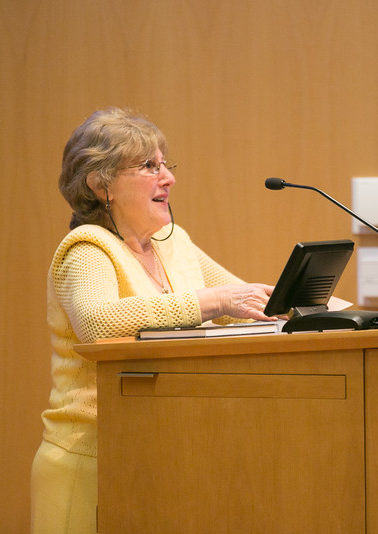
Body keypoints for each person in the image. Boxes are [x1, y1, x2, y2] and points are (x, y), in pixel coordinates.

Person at [30, 107, 278, 533]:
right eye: (149, 166)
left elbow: (248, 299)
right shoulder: (87, 249)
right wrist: (212, 302)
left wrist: (337, 310)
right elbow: (98, 322)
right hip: (92, 459)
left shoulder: (172, 242)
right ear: (99, 183)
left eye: (165, 164)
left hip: (163, 452)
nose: (169, 178)